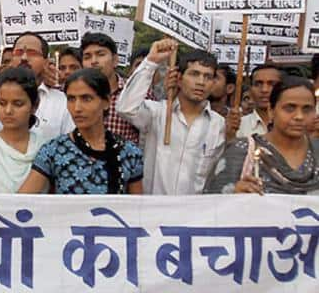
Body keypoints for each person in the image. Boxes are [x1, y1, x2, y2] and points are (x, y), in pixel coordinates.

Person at [116, 39, 226, 195]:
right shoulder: (157, 113)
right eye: (194, 74)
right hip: (153, 213)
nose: (201, 82)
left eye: (208, 77)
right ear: (179, 79)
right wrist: (151, 62)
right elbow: (125, 108)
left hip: (193, 215)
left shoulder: (218, 124)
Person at [19, 69, 144, 194]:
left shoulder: (129, 153)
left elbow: (137, 209)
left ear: (106, 102)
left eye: (86, 99)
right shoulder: (53, 151)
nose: (77, 108)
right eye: (71, 99)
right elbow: (22, 201)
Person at [205, 76, 319, 195]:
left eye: (307, 109)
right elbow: (212, 204)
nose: (299, 116)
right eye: (290, 108)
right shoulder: (241, 151)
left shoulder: (316, 150)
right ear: (271, 110)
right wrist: (234, 193)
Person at [0, 32, 74, 140]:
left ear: (46, 62)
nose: (24, 58)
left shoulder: (62, 102)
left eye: (32, 53)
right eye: (19, 52)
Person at [81, 33, 151, 145]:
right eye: (87, 57)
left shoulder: (137, 92)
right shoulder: (74, 94)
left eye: (100, 54)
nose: (93, 61)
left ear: (115, 60)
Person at [227, 65, 283, 140]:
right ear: (250, 89)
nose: (264, 90)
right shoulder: (238, 126)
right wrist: (230, 135)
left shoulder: (291, 125)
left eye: (271, 84)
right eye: (258, 84)